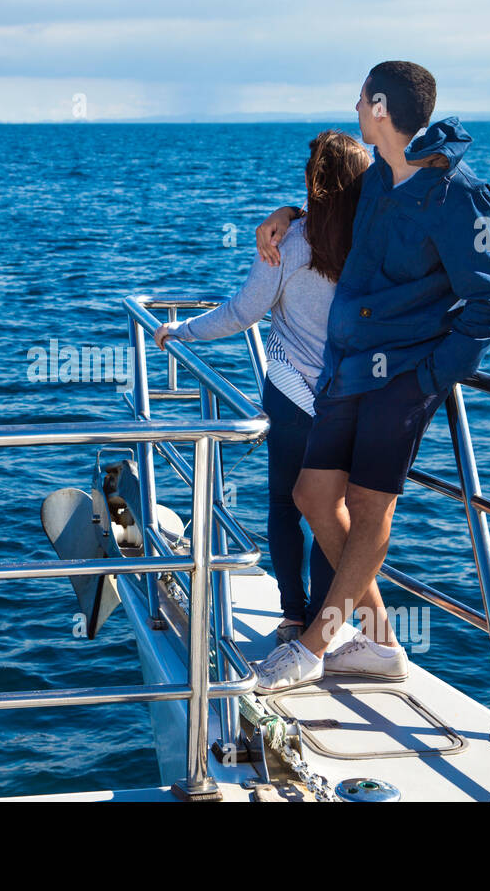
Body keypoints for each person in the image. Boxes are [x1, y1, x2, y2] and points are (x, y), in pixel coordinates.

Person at [251, 61, 490, 691]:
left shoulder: (457, 193)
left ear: (378, 105)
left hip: (400, 377)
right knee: (313, 498)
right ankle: (383, 646)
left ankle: (315, 646)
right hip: (345, 370)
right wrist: (286, 212)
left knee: (369, 506)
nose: (353, 107)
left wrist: (430, 376)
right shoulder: (376, 178)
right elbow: (329, 207)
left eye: (358, 99)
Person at [154, 130, 371, 645]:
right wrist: (288, 210)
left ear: (312, 183)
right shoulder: (372, 241)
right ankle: (326, 620)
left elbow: (243, 312)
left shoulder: (290, 244)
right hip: (350, 395)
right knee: (332, 509)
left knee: (285, 503)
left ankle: (293, 617)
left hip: (293, 390)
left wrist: (180, 331)